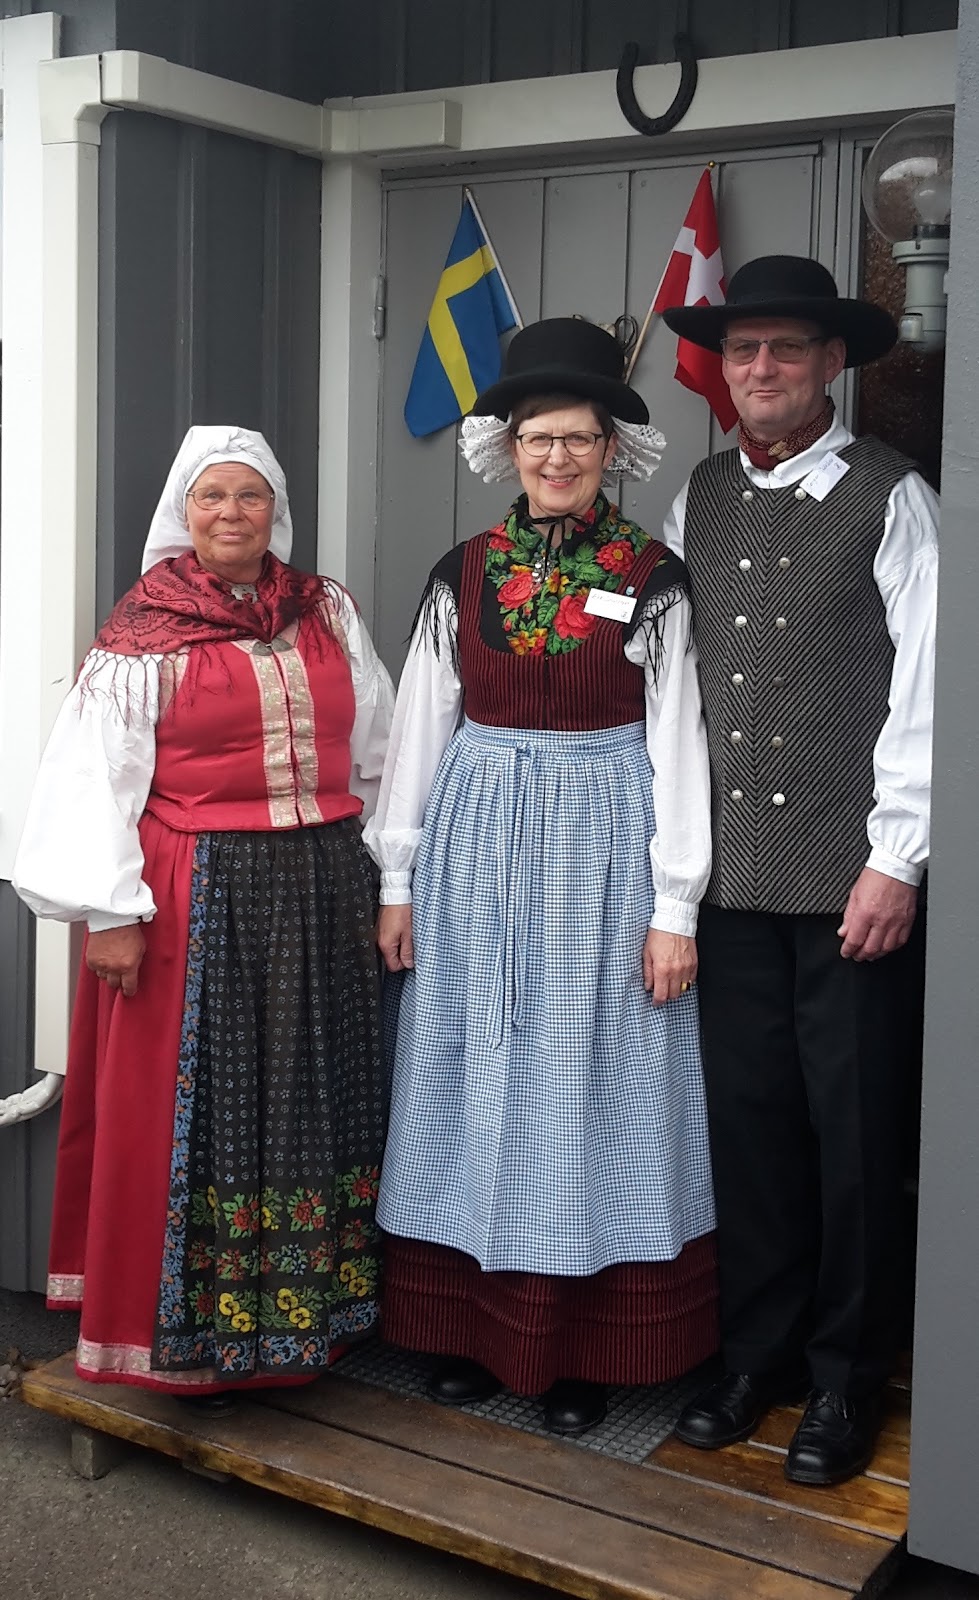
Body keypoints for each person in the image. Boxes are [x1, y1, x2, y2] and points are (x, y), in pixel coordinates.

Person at [365, 317, 718, 1437]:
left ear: (611, 448)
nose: (556, 458)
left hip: (602, 851)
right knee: (473, 1071)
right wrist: (397, 880)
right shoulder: (460, 573)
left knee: (583, 1082)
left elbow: (679, 740)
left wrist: (673, 908)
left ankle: (577, 1350)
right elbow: (422, 727)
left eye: (577, 439)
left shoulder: (652, 576)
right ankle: (466, 1333)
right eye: (536, 440)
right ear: (506, 449)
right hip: (474, 849)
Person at [13, 425, 395, 1406]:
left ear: (278, 508)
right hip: (198, 896)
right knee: (204, 1112)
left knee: (308, 1099)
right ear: (183, 515)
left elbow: (380, 750)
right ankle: (185, 1340)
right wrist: (108, 911)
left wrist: (391, 873)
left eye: (250, 496)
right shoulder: (145, 632)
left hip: (321, 890)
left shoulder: (328, 612)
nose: (232, 515)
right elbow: (94, 779)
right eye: (211, 498)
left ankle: (299, 1325)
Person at [662, 256, 939, 1485]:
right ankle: (757, 1355)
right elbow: (675, 691)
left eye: (783, 351)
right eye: (742, 354)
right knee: (755, 1131)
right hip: (729, 887)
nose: (760, 371)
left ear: (832, 364)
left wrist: (898, 856)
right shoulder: (699, 496)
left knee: (855, 1139)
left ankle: (844, 1380)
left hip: (849, 886)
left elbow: (929, 686)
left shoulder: (893, 496)